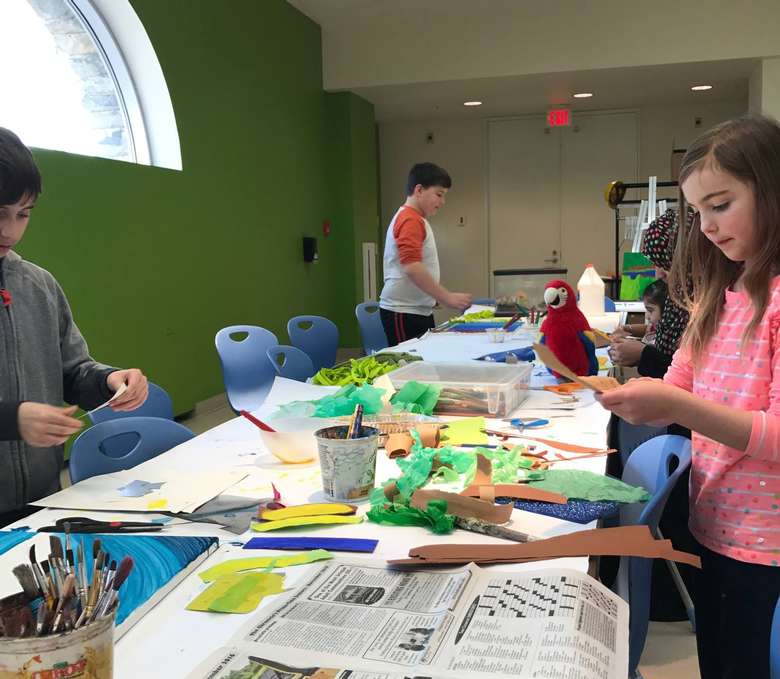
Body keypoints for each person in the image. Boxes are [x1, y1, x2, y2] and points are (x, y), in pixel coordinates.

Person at [597, 114, 780, 679]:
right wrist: (630, 395)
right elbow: (679, 383)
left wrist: (675, 407)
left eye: (721, 205)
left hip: (767, 548)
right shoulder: (720, 295)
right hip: (714, 525)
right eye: (698, 212)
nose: (706, 227)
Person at [0, 127, 148, 526]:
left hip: (41, 501)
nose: (9, 230)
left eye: (22, 215)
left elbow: (72, 372)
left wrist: (109, 380)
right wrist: (10, 420)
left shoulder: (38, 285)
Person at [379, 162, 472, 346]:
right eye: (439, 194)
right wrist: (446, 297)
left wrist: (429, 297)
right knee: (408, 367)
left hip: (417, 310)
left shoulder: (416, 219)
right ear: (419, 190)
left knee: (424, 365)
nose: (442, 202)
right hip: (403, 312)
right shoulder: (410, 219)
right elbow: (412, 267)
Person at [609, 209, 691, 376]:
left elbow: (686, 375)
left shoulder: (697, 305)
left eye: (666, 264)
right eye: (656, 264)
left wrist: (642, 354)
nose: (658, 274)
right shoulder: (677, 297)